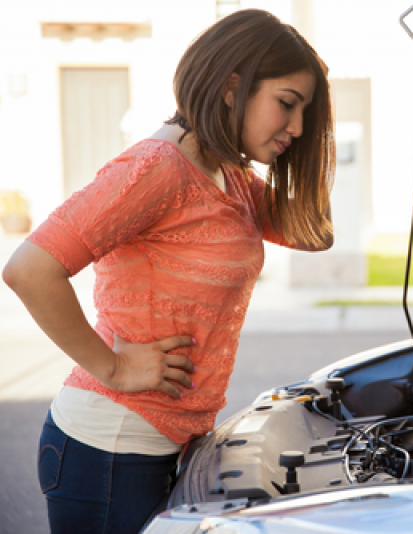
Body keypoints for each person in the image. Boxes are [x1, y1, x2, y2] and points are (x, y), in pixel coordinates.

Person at [2, 9, 335, 534]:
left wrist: (303, 146)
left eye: (303, 113)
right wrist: (113, 366)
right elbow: (29, 268)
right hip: (109, 448)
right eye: (287, 105)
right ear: (232, 88)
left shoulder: (227, 173)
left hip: (161, 445)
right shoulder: (159, 168)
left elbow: (315, 233)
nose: (295, 126)